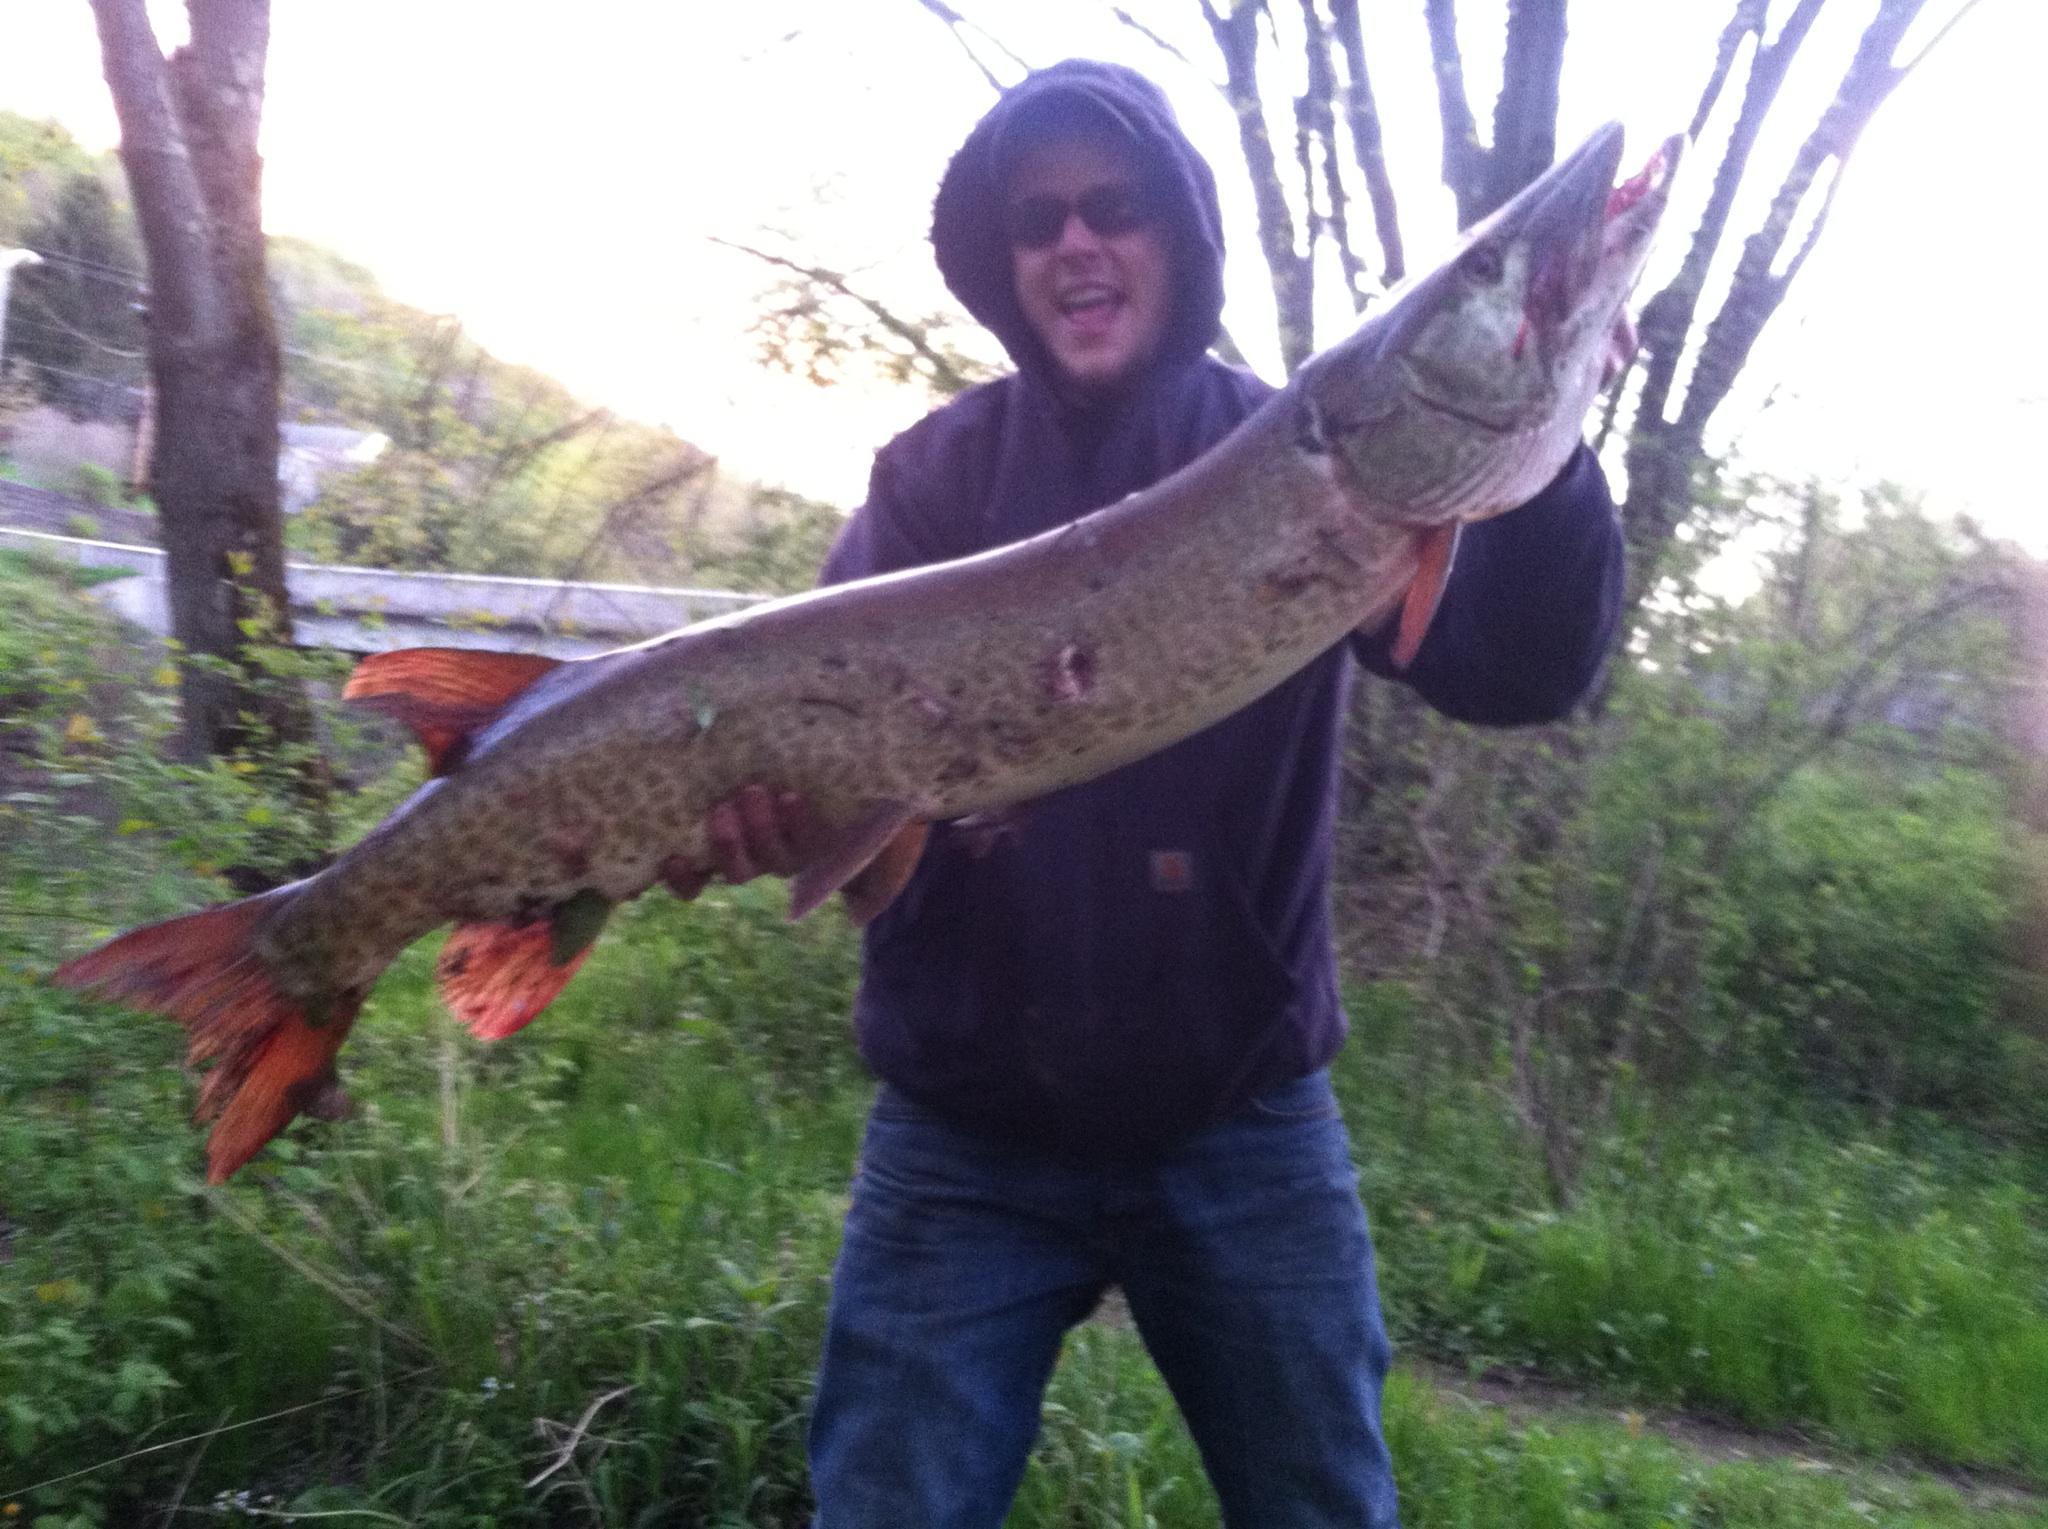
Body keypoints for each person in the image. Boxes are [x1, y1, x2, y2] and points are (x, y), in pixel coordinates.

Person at [697, 60, 1624, 1529]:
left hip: (1239, 1121)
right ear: (1005, 268)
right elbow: (806, 755)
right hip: (969, 1131)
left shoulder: (1331, 466)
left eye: (1114, 208)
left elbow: (1526, 668)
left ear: (1177, 237)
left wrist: (1552, 440)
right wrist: (768, 815)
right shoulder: (933, 479)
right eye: (1038, 220)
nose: (1076, 243)